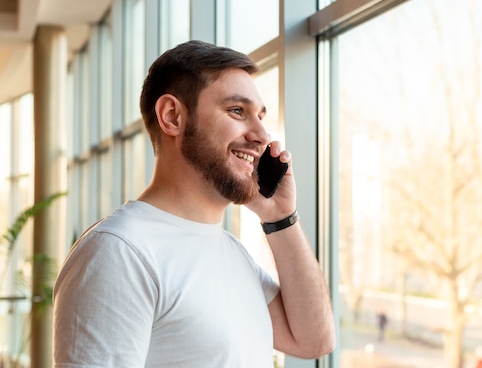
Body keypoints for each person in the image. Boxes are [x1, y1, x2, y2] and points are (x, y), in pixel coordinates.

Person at [52, 40, 335, 367]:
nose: (262, 135)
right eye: (237, 111)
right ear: (172, 116)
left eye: (260, 116)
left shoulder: (231, 252)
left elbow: (315, 339)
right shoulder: (120, 252)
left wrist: (281, 217)